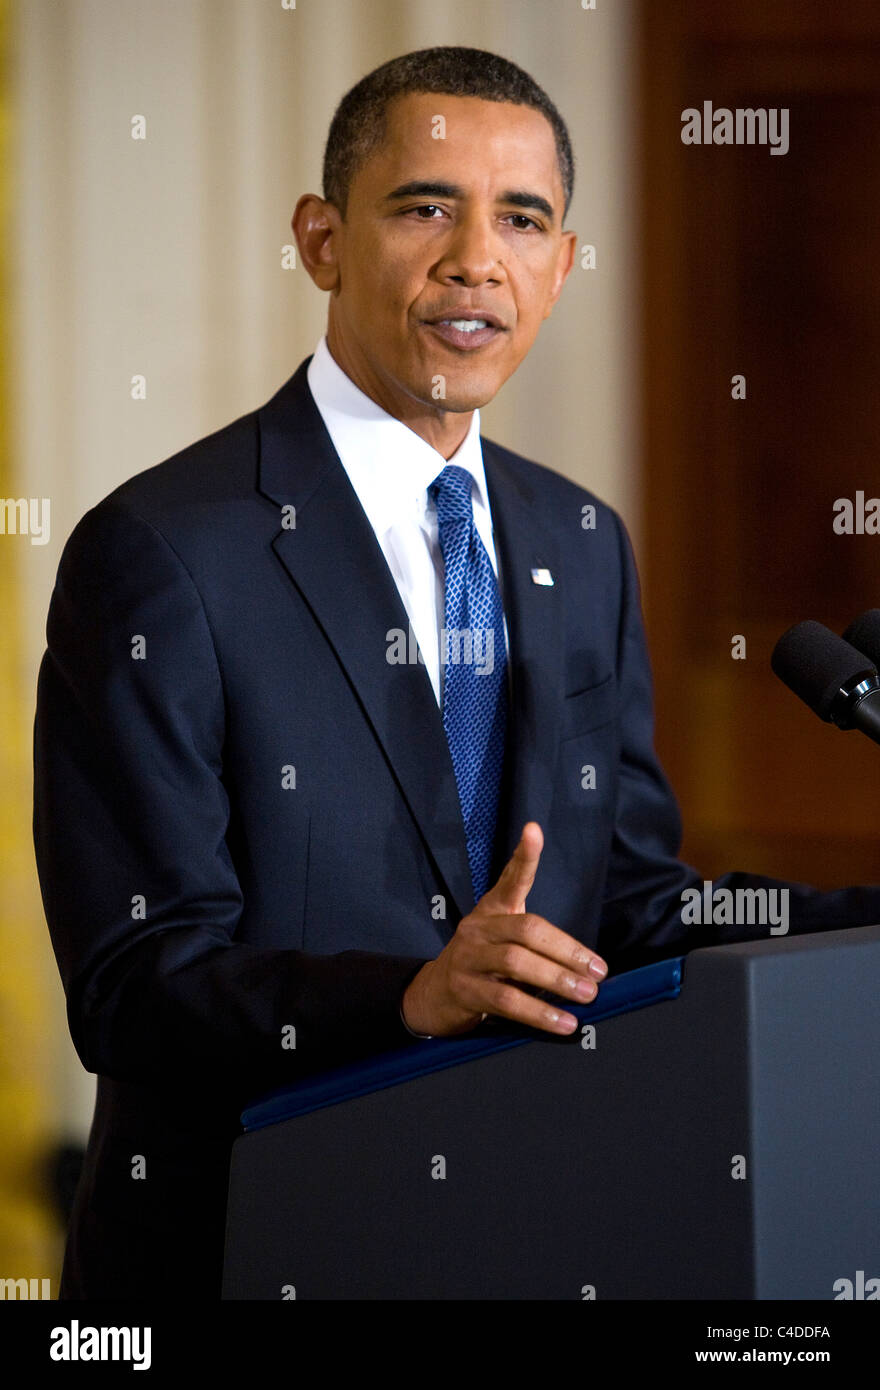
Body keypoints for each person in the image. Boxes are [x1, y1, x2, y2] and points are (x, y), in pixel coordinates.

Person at [33, 45, 880, 1300]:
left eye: (522, 218)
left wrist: (855, 921)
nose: (475, 256)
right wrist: (412, 996)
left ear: (562, 266)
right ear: (321, 240)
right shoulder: (162, 551)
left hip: (526, 1230)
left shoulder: (580, 541)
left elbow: (630, 909)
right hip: (249, 1250)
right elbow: (130, 988)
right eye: (425, 205)